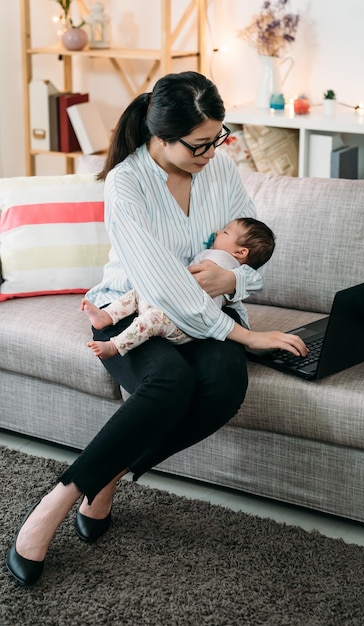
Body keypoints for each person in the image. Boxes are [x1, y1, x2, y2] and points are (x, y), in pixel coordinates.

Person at [6, 71, 307, 587]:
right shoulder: (127, 183)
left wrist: (232, 278)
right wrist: (244, 334)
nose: (210, 152)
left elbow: (256, 255)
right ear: (161, 136)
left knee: (224, 384)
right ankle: (54, 504)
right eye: (198, 144)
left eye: (218, 139)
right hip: (135, 307)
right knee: (170, 383)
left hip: (211, 309)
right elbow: (165, 288)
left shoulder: (222, 169)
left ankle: (105, 480)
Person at [82, 216, 276, 359]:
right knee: (141, 289)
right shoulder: (218, 257)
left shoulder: (222, 262)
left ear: (240, 252)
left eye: (225, 232)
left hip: (183, 326)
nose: (218, 232)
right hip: (171, 306)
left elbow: (194, 287)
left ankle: (116, 346)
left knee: (151, 320)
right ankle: (106, 316)